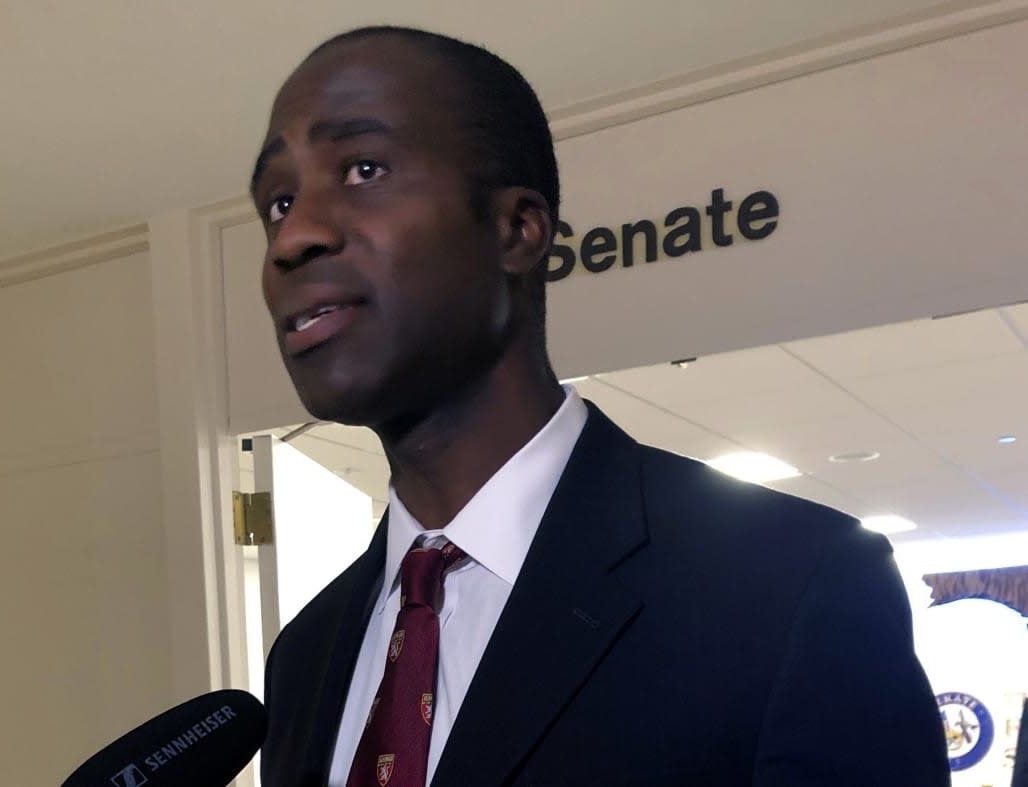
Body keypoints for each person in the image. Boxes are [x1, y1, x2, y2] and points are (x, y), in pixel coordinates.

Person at [249, 25, 949, 787]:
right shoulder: (306, 655)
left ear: (518, 229)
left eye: (362, 168)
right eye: (278, 201)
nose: (293, 236)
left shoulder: (794, 588)